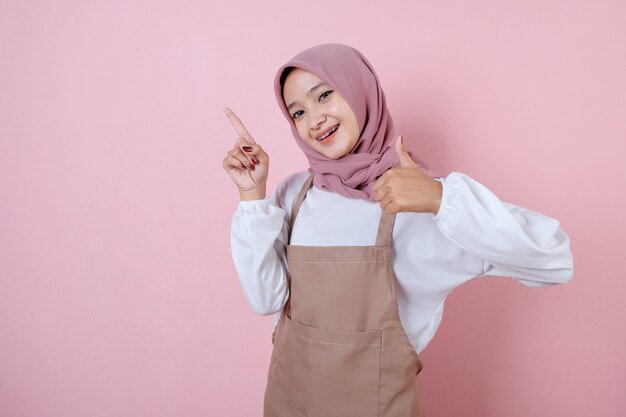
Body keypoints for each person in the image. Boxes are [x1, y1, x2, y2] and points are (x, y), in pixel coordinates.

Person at [222, 43, 573, 417]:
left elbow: (552, 258)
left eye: (324, 94)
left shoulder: (419, 205)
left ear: (361, 90)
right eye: (298, 112)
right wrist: (252, 195)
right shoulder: (294, 195)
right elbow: (265, 300)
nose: (314, 119)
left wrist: (440, 198)